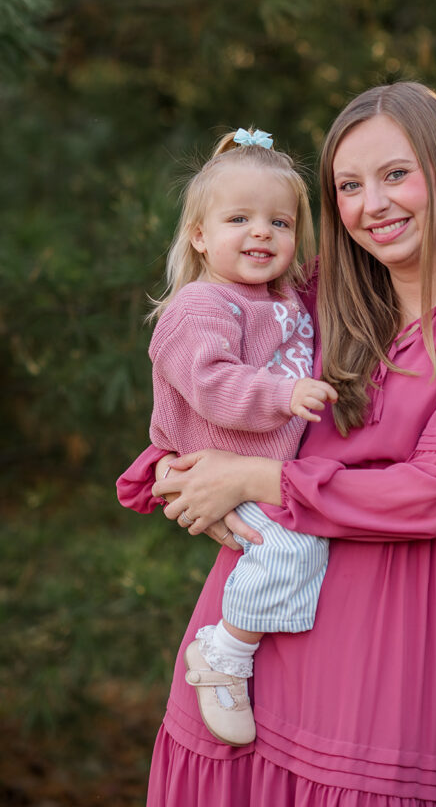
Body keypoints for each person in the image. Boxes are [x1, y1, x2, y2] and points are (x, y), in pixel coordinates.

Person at [118, 81, 436, 807]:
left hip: (397, 633)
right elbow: (202, 381)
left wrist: (252, 482)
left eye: (396, 174)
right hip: (250, 634)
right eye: (349, 186)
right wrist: (178, 469)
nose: (373, 204)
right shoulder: (314, 299)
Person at [123, 126, 337, 746]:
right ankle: (224, 652)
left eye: (280, 221)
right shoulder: (202, 306)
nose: (262, 232)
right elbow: (212, 383)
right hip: (225, 463)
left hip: (259, 467)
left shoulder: (283, 297)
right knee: (293, 550)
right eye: (239, 218)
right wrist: (283, 394)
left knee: (298, 549)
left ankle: (235, 646)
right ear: (199, 235)